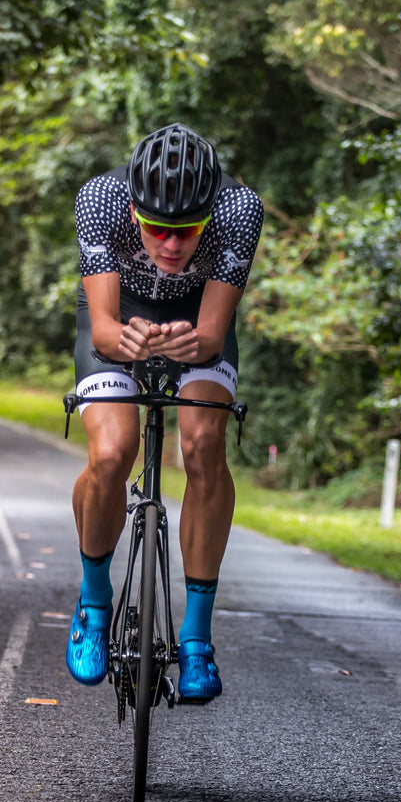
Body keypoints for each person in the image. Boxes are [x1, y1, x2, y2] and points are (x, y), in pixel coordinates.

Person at [66, 123, 263, 701]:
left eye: (186, 233)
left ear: (209, 214)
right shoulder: (99, 198)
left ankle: (197, 638)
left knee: (202, 445)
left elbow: (210, 334)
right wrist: (122, 339)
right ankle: (94, 603)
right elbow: (102, 327)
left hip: (196, 323)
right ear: (132, 211)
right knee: (110, 451)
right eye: (157, 230)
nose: (172, 246)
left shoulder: (238, 209)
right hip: (120, 318)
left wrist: (190, 340)